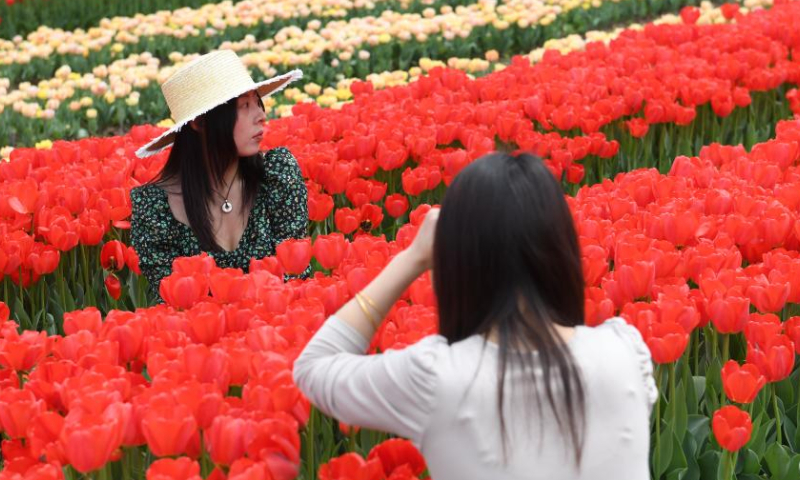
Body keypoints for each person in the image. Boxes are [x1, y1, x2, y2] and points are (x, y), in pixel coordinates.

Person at [293, 152, 657, 480]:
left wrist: (412, 257)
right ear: (562, 250)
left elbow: (313, 368)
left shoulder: (437, 378)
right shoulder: (625, 351)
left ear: (456, 262)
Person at [130, 50, 309, 301]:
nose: (261, 115)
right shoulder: (157, 209)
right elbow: (174, 304)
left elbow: (297, 280)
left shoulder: (276, 176)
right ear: (200, 123)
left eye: (257, 102)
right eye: (244, 106)